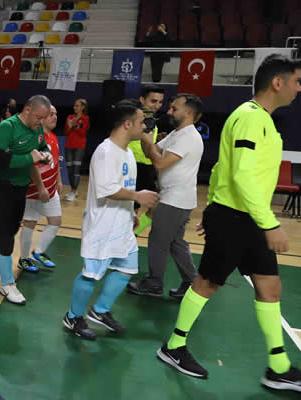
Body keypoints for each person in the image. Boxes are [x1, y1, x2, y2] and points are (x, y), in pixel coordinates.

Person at [155, 55, 301, 391]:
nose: (298, 88)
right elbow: (241, 175)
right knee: (208, 283)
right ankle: (173, 347)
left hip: (245, 218)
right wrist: (270, 224)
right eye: (296, 81)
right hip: (239, 219)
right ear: (277, 83)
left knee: (270, 287)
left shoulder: (262, 120)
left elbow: (222, 169)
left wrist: (211, 209)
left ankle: (278, 367)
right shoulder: (249, 119)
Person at [62, 99, 160, 340]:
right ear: (127, 124)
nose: (144, 127)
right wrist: (139, 196)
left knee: (127, 269)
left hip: (122, 222)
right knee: (91, 274)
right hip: (102, 224)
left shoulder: (126, 152)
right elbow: (107, 189)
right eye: (140, 123)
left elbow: (122, 188)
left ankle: (100, 311)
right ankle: (73, 317)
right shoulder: (106, 152)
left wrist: (131, 214)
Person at [0, 95, 53, 305]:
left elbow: (40, 147)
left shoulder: (36, 128)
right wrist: (29, 158)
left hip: (20, 186)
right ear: (28, 110)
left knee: (10, 228)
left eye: (44, 118)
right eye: (38, 117)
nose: (40, 122)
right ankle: (7, 284)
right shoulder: (7, 127)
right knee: (5, 236)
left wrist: (46, 154)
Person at [127, 94, 204, 299]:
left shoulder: (188, 137)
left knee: (159, 240)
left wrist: (147, 140)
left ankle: (154, 283)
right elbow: (151, 152)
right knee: (174, 242)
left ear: (188, 113)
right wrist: (147, 136)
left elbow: (159, 163)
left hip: (176, 199)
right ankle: (191, 282)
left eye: (174, 108)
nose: (169, 112)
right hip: (175, 197)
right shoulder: (178, 133)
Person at [18, 105, 63, 273]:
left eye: (56, 114)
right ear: (42, 117)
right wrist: (40, 187)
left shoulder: (54, 138)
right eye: (51, 114)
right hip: (34, 190)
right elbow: (30, 165)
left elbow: (56, 161)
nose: (55, 117)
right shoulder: (33, 137)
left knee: (56, 221)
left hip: (50, 190)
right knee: (30, 222)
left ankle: (38, 252)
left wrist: (59, 180)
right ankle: (23, 258)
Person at [129, 85, 165, 234]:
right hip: (132, 166)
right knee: (131, 210)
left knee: (156, 205)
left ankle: (132, 234)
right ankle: (125, 238)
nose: (157, 105)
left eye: (160, 102)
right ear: (142, 100)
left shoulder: (153, 121)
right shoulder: (133, 118)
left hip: (147, 168)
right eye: (153, 101)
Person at [63, 98, 90, 201]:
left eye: (77, 106)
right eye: (74, 106)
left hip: (79, 146)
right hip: (68, 145)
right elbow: (66, 132)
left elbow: (83, 133)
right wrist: (70, 126)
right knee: (70, 169)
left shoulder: (85, 119)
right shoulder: (70, 117)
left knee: (76, 169)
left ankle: (74, 191)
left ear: (82, 107)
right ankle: (72, 190)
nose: (75, 107)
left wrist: (76, 126)